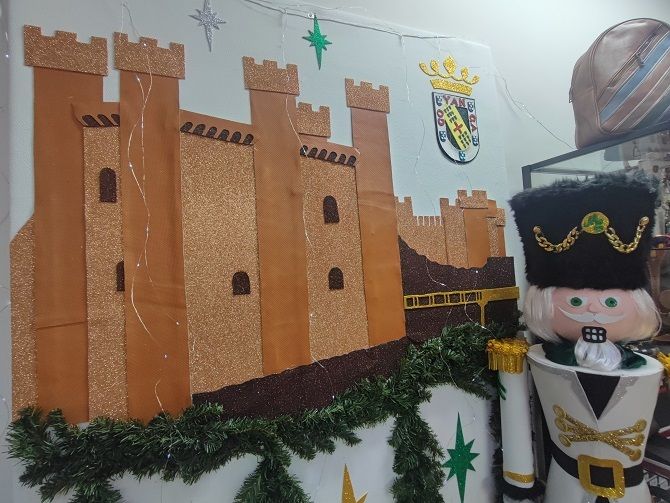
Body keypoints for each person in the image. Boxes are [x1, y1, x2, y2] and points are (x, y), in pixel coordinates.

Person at [492, 172, 664, 503]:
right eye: (574, 302)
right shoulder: (539, 359)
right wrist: (519, 484)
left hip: (631, 490)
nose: (593, 311)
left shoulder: (649, 365)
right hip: (565, 485)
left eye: (611, 303)